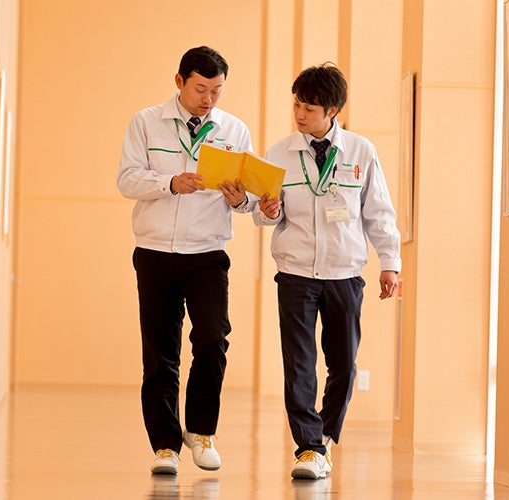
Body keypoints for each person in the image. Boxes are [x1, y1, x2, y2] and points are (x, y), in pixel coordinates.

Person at [253, 63, 402, 480]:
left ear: (332, 110)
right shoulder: (279, 153)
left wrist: (390, 263)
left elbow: (378, 213)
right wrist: (267, 210)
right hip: (295, 272)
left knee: (344, 365)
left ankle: (325, 435)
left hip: (344, 273)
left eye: (310, 108)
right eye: (296, 105)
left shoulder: (361, 151)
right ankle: (308, 448)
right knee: (299, 363)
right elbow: (262, 215)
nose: (300, 115)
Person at [117, 46, 254, 475]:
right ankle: (165, 446)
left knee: (213, 339)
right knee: (160, 353)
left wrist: (241, 199)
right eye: (200, 89)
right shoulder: (145, 122)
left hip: (207, 253)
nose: (208, 99)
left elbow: (250, 199)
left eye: (217, 90)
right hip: (155, 252)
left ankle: (201, 430)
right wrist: (170, 182)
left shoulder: (234, 130)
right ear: (179, 82)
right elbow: (127, 180)